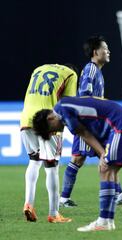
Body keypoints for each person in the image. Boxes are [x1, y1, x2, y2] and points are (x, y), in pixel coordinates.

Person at [32, 97, 122, 232]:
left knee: (105, 169)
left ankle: (104, 221)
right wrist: (102, 153)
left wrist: (102, 154)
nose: (55, 132)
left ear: (50, 119)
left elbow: (83, 133)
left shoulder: (63, 110)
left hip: (120, 125)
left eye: (51, 130)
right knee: (107, 170)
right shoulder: (64, 106)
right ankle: (107, 220)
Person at [59, 36, 122, 207]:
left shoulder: (97, 71)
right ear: (96, 52)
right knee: (84, 158)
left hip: (92, 121)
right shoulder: (90, 69)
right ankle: (117, 194)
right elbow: (85, 95)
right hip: (88, 122)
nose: (108, 51)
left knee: (87, 158)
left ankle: (64, 198)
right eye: (105, 48)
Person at [20, 64, 78, 223]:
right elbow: (67, 104)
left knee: (33, 161)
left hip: (26, 117)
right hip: (49, 120)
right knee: (51, 167)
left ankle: (28, 203)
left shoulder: (38, 68)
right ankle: (54, 213)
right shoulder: (70, 74)